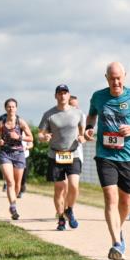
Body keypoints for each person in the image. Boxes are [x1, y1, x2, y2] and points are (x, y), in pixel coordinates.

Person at [84, 61, 130, 260]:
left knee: (124, 201)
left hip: (129, 156)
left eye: (118, 78)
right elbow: (91, 117)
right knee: (110, 198)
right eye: (112, 78)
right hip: (105, 156)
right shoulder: (98, 97)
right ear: (106, 78)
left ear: (124, 77)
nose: (116, 82)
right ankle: (116, 243)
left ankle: (118, 230)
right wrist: (89, 129)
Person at [37, 84, 87, 231]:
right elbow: (40, 134)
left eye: (65, 93)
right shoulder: (49, 114)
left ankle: (69, 209)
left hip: (73, 154)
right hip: (56, 154)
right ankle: (60, 219)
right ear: (55, 96)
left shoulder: (78, 113)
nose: (62, 95)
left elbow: (82, 133)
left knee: (74, 186)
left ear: (68, 95)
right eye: (60, 93)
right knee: (59, 188)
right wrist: (44, 137)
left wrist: (83, 137)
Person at [0, 98, 33, 220]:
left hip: (19, 154)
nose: (11, 108)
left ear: (16, 108)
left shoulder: (20, 122)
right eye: (9, 106)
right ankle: (13, 207)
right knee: (10, 182)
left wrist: (19, 137)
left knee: (17, 184)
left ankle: (13, 202)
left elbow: (31, 138)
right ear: (5, 108)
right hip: (5, 153)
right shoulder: (1, 123)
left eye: (13, 106)